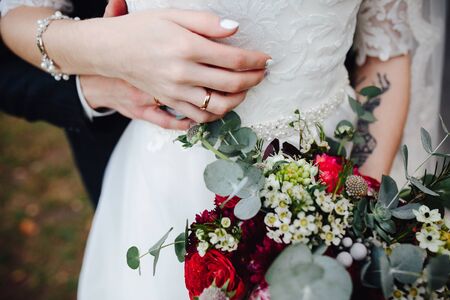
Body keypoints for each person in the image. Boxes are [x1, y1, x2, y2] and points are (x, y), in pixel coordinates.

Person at [0, 0, 445, 299]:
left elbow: (385, 51)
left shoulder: (347, 200)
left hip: (334, 168)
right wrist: (108, 48)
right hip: (168, 182)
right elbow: (17, 16)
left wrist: (351, 205)